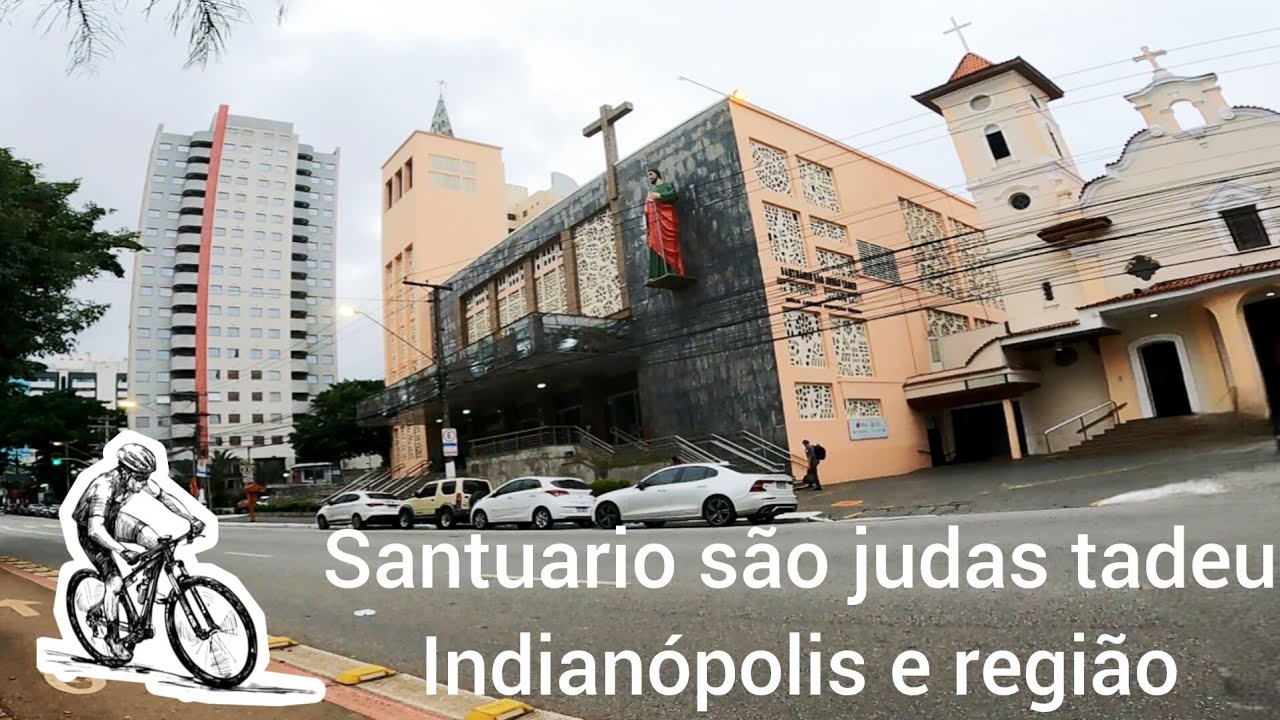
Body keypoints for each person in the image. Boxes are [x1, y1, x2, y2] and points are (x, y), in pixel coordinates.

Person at [72, 443, 205, 662]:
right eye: (139, 479)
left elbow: (165, 497)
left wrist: (192, 519)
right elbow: (95, 529)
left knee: (156, 541)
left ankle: (147, 583)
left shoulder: (137, 479)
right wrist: (122, 550)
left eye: (145, 478)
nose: (142, 485)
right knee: (114, 585)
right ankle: (112, 639)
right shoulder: (104, 486)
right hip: (91, 529)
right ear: (125, 471)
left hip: (114, 520)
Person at [645, 168, 685, 280]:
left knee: (671, 244)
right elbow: (647, 210)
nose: (650, 177)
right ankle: (659, 273)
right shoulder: (651, 192)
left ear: (657, 174)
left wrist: (659, 196)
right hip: (656, 223)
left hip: (668, 218)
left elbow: (673, 196)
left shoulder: (667, 186)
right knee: (657, 243)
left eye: (651, 174)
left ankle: (674, 269)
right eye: (648, 176)